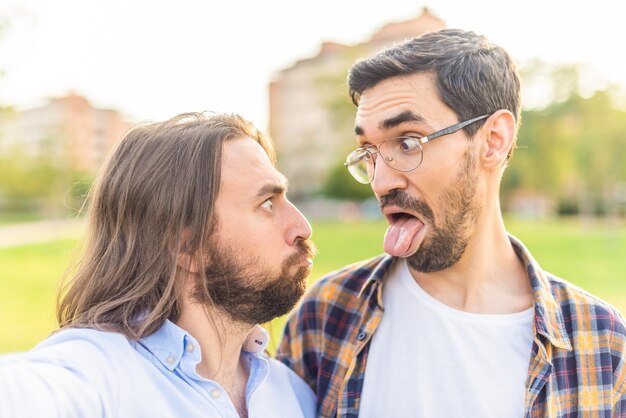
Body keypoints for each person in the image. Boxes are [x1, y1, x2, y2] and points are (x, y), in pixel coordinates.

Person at [278, 29, 626, 417]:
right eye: (369, 152)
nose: (380, 182)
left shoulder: (603, 342)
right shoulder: (324, 316)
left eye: (408, 143)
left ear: (493, 139)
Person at [0, 112, 317, 418]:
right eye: (266, 204)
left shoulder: (293, 395)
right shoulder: (99, 375)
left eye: (285, 198)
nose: (302, 226)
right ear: (187, 247)